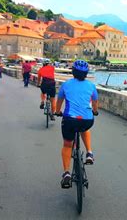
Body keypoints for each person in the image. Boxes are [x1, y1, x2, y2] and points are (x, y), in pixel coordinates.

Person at [54, 60, 99, 189]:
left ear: (73, 72)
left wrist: (57, 112)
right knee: (84, 128)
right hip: (87, 120)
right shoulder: (91, 86)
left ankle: (67, 173)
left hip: (69, 119)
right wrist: (95, 112)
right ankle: (89, 153)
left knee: (68, 145)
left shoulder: (66, 85)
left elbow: (59, 101)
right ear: (86, 74)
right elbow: (95, 103)